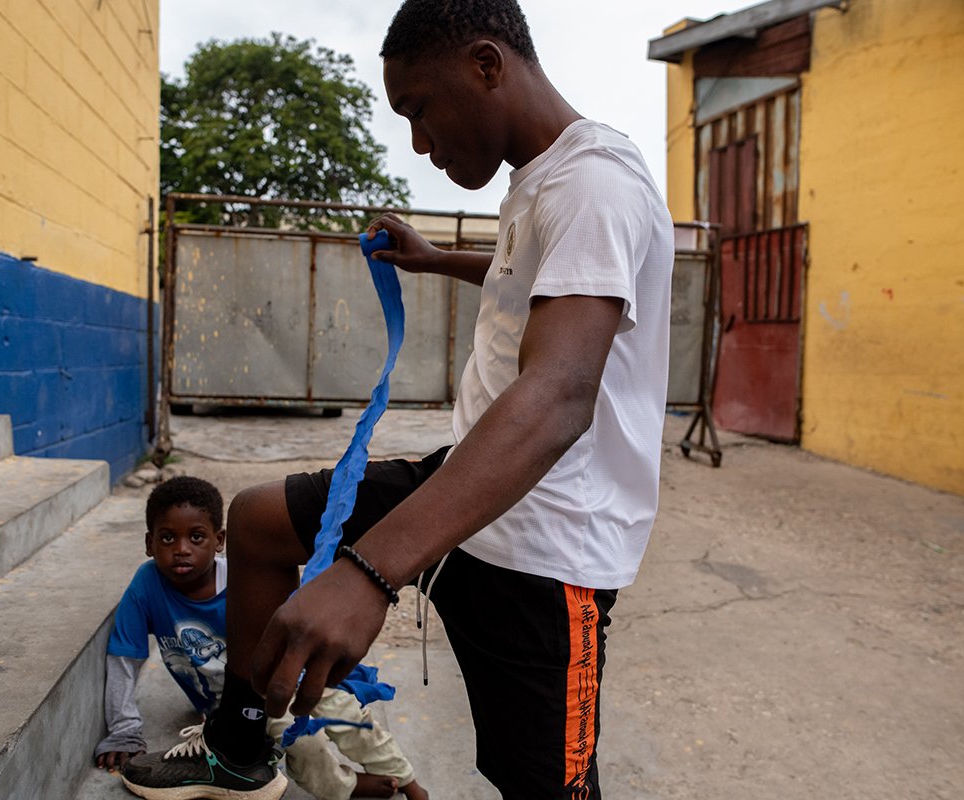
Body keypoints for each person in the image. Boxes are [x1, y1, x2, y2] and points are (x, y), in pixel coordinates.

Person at [121, 0, 674, 797]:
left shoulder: (594, 185)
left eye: (419, 109)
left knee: (549, 787)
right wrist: (436, 259)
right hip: (472, 484)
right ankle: (239, 748)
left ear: (486, 65)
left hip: (548, 549)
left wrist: (368, 572)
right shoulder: (544, 180)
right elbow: (535, 276)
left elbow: (558, 396)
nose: (419, 141)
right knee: (260, 520)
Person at [98, 476, 428, 800]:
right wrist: (124, 731)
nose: (181, 550)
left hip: (286, 677)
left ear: (219, 540)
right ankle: (346, 787)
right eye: (167, 538)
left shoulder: (245, 581)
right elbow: (124, 659)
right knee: (304, 743)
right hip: (229, 708)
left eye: (196, 537)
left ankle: (408, 780)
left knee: (350, 717)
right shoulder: (146, 585)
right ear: (149, 544)